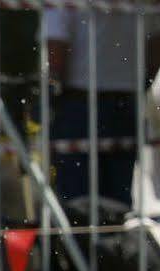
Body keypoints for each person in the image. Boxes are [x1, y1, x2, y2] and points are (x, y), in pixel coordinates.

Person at [44, 9, 160, 209]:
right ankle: (110, 235)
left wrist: (51, 93)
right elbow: (155, 43)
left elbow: (57, 45)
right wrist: (142, 82)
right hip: (126, 99)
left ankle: (81, 235)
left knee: (76, 200)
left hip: (78, 100)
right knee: (116, 199)